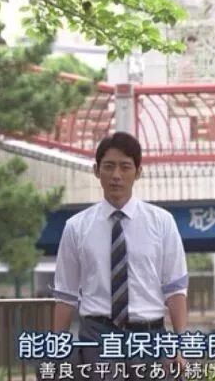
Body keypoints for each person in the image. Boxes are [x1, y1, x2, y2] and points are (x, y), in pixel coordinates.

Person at [48, 132, 189, 380]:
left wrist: (181, 345)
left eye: (125, 167)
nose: (116, 175)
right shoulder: (76, 227)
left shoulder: (162, 222)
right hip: (98, 336)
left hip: (149, 338)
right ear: (96, 170)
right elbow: (65, 294)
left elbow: (175, 289)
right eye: (109, 166)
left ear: (138, 172)